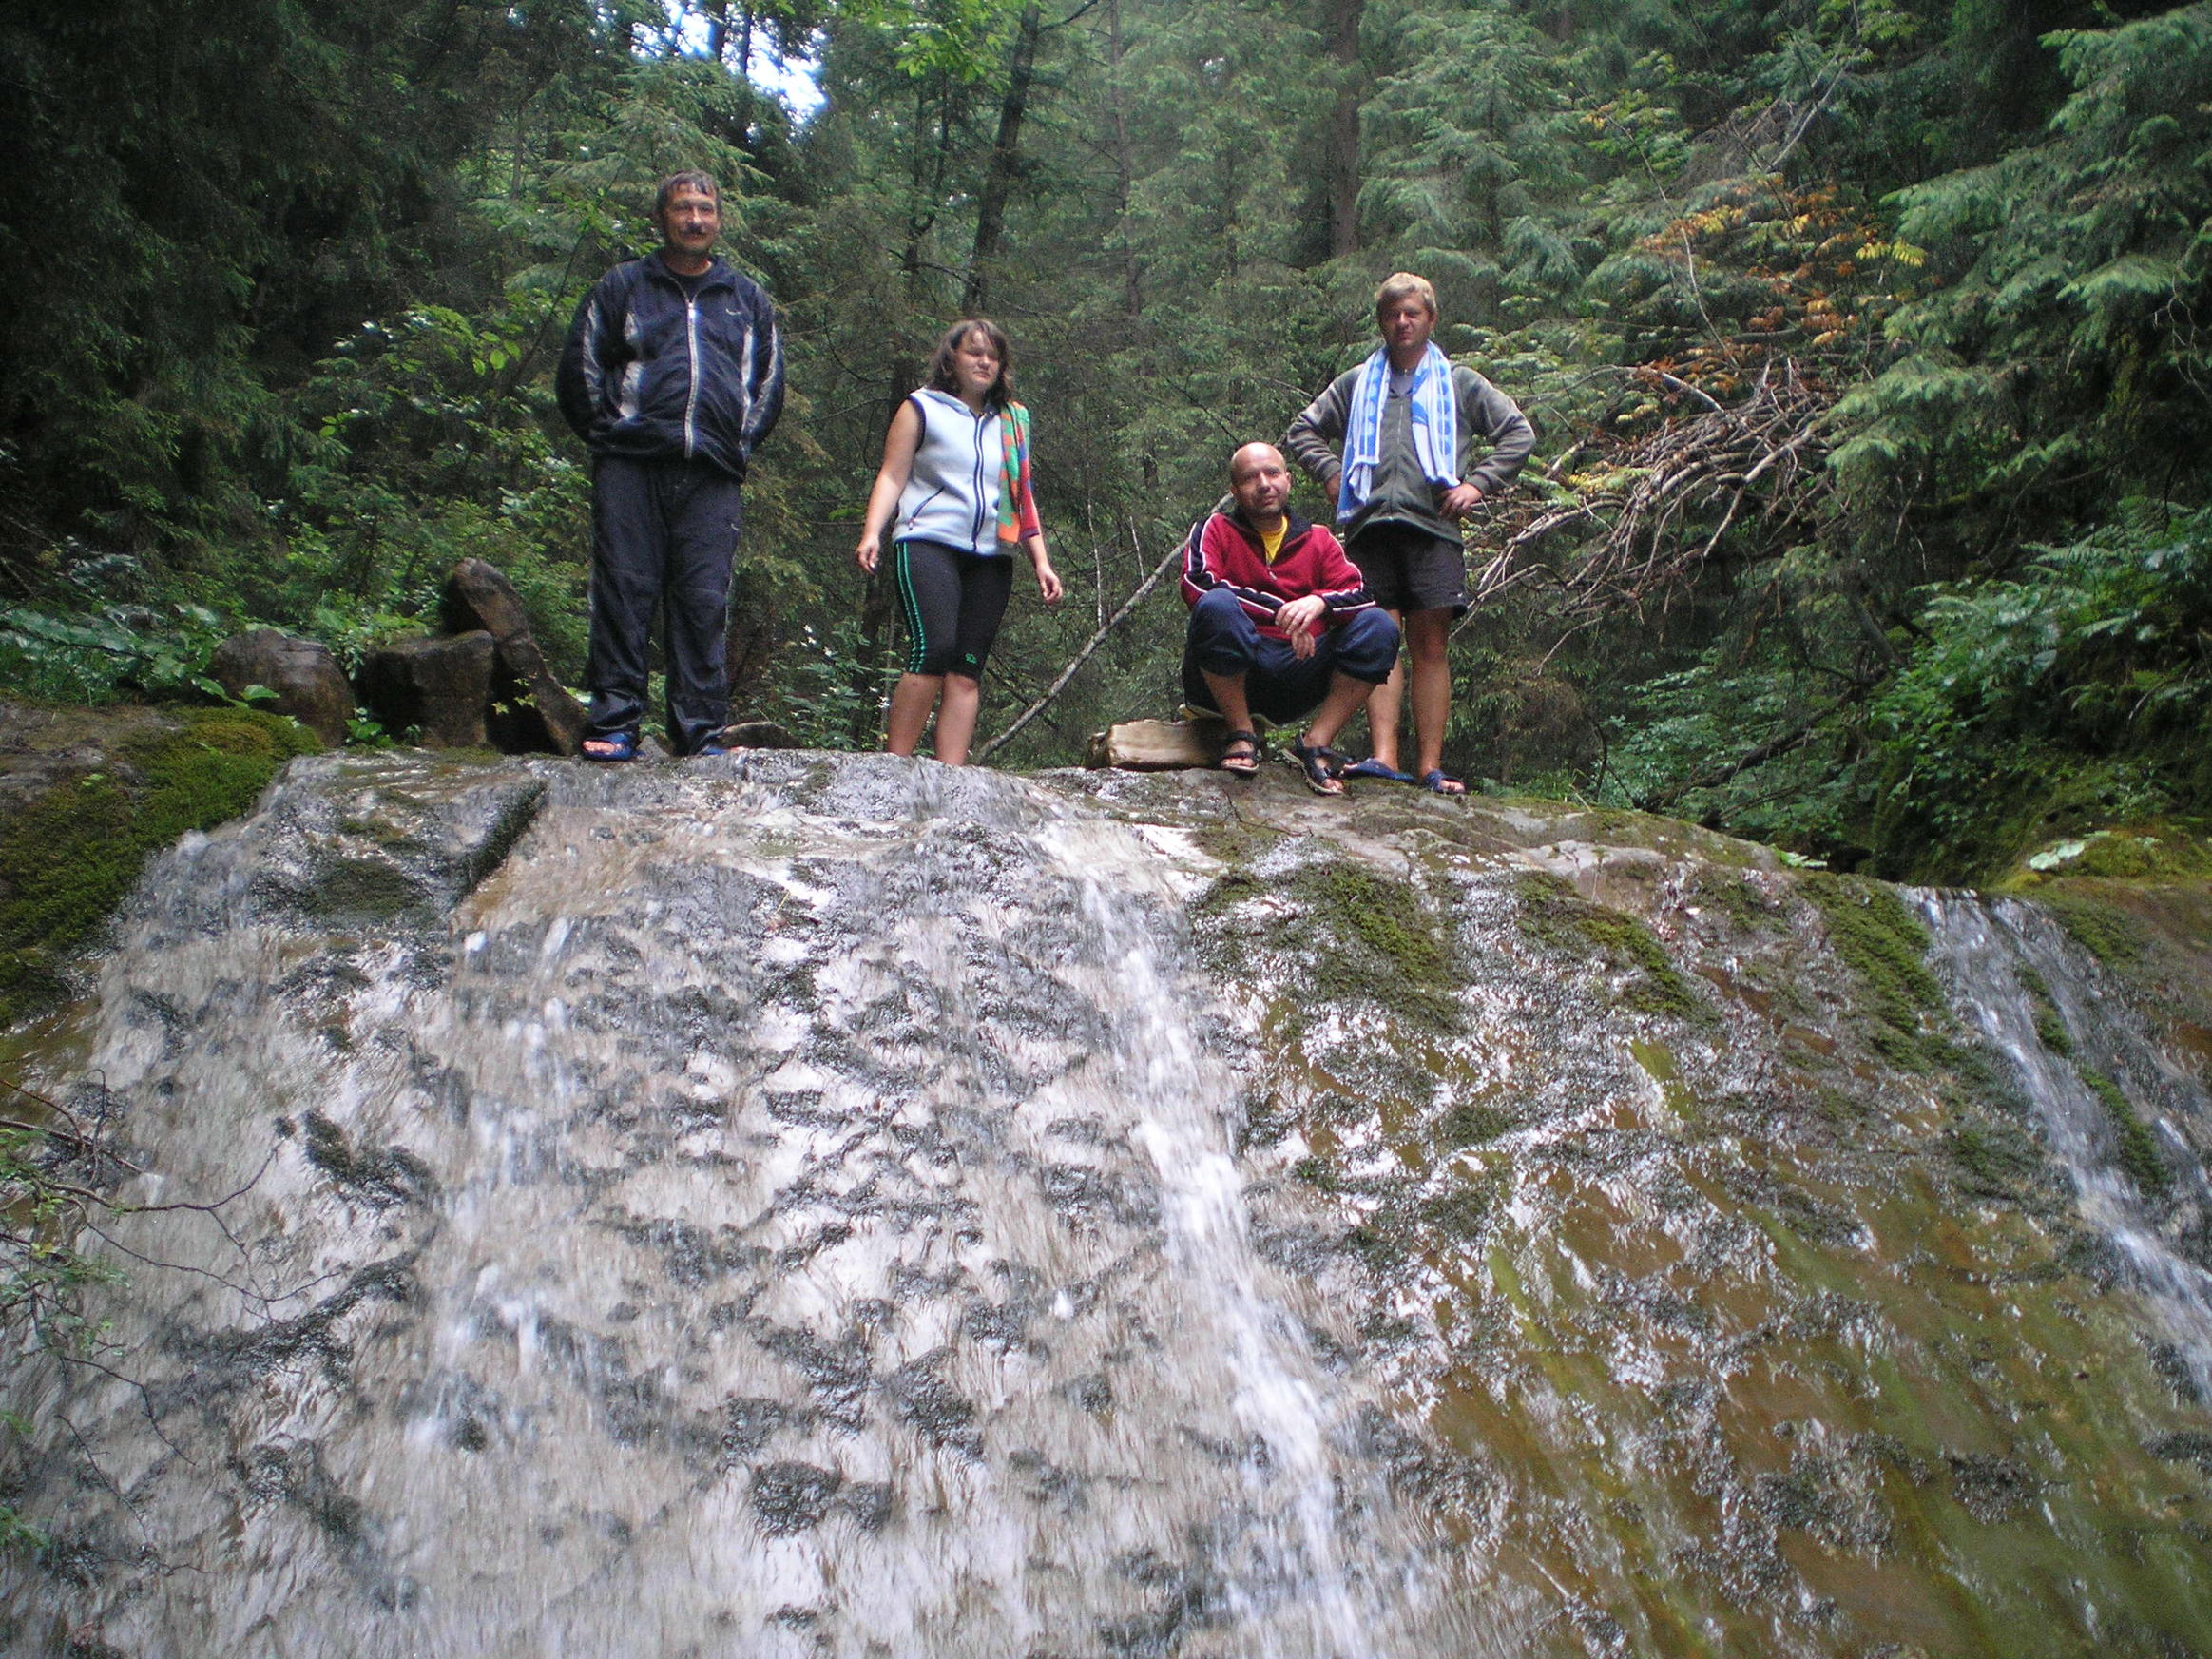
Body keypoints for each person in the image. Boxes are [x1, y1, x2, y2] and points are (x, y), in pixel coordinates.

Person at [556, 170, 783, 761]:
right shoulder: (623, 286)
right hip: (630, 465)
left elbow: (766, 384)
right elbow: (580, 370)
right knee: (623, 590)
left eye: (705, 209)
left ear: (719, 220)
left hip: (712, 472)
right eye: (683, 208)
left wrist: (736, 446)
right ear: (662, 218)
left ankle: (700, 732)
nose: (695, 219)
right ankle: (614, 723)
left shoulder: (745, 299)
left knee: (703, 600)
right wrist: (610, 435)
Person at [1284, 272, 1533, 794]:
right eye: (1392, 315)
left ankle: (1430, 767)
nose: (1402, 323)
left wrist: (1477, 485)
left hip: (1433, 528)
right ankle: (1383, 757)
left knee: (1430, 646)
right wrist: (1331, 473)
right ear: (1381, 322)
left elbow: (1517, 433)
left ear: (1430, 319)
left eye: (1412, 313)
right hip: (1369, 527)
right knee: (1379, 641)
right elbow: (1303, 429)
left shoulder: (1460, 382)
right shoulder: (1357, 383)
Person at [855, 319, 1063, 765]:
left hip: (992, 554)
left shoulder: (1011, 420)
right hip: (928, 540)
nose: (984, 362)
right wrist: (873, 531)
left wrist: (1041, 562)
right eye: (974, 353)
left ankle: (953, 777)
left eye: (993, 356)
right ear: (952, 358)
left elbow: (1022, 494)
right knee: (933, 648)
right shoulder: (921, 407)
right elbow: (893, 474)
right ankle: (894, 767)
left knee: (966, 668)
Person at [1180, 443, 1399, 796]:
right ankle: (1241, 734)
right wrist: (1287, 615)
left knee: (1379, 626)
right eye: (1250, 478)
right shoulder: (1214, 529)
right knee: (1216, 605)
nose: (1264, 484)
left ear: (1288, 480)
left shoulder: (1319, 539)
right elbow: (1198, 585)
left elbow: (1361, 594)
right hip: (1229, 671)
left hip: (1297, 671)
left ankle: (1315, 744)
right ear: (1235, 491)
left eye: (1272, 473)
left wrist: (1319, 603)